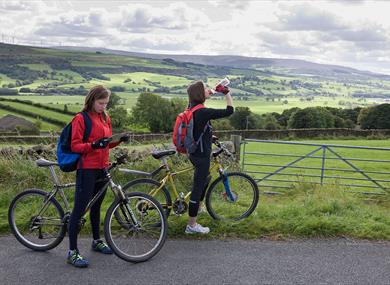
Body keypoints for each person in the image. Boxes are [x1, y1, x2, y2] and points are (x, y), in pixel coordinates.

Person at [67, 85, 130, 268]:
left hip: (102, 168)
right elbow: (75, 146)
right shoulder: (81, 118)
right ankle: (72, 252)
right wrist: (93, 145)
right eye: (101, 103)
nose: (104, 106)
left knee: (96, 208)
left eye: (106, 103)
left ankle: (96, 241)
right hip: (87, 169)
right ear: (92, 100)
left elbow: (106, 144)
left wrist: (117, 141)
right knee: (79, 210)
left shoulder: (105, 117)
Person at [185, 80, 234, 234]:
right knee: (197, 188)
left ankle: (199, 207)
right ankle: (191, 226)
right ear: (200, 94)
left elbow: (199, 128)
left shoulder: (192, 108)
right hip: (201, 155)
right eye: (205, 89)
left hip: (194, 152)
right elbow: (230, 111)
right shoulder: (203, 112)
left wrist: (213, 90)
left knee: (205, 178)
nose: (208, 90)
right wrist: (226, 93)